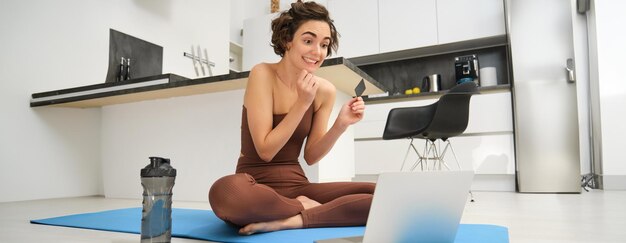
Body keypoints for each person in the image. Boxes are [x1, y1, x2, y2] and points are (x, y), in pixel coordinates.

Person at [208, 0, 375, 236]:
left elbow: (311, 156)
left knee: (380, 193)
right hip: (254, 185)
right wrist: (302, 102)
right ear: (288, 40)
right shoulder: (263, 74)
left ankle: (294, 220)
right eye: (308, 41)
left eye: (324, 45)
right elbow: (265, 151)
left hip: (297, 186)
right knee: (226, 192)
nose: (317, 52)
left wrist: (341, 124)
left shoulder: (325, 90)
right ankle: (303, 208)